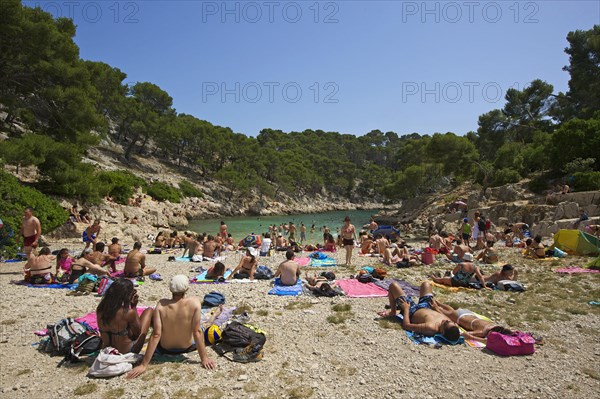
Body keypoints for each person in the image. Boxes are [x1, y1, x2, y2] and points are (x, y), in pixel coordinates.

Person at [127, 275, 216, 379]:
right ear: (186, 289)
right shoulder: (194, 302)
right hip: (187, 347)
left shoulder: (161, 305)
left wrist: (144, 364)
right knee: (201, 328)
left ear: (170, 289)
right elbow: (197, 332)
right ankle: (216, 314)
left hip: (165, 349)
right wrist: (204, 358)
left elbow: (156, 334)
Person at [377, 281, 461, 342]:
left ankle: (393, 311)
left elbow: (407, 326)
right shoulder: (450, 324)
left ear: (442, 331)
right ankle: (396, 310)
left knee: (393, 286)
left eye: (446, 323)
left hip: (411, 310)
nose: (445, 320)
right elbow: (446, 318)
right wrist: (436, 308)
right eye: (449, 321)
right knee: (426, 284)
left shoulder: (430, 327)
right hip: (428, 306)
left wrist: (406, 309)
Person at [96, 279, 153, 354]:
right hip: (127, 351)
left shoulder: (100, 309)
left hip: (107, 351)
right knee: (149, 311)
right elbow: (137, 333)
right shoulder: (128, 313)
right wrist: (133, 306)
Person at [430, 300, 513, 342]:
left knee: (450, 310)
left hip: (468, 314)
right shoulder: (482, 332)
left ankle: (437, 302)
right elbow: (465, 335)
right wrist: (480, 339)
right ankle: (435, 304)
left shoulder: (492, 324)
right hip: (460, 317)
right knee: (441, 311)